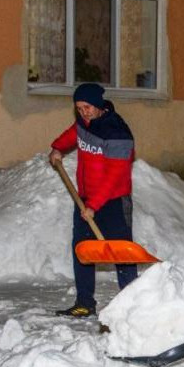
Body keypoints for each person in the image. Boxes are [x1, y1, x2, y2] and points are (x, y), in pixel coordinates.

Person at [49, 83, 138, 317]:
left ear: (98, 105)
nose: (83, 112)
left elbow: (113, 177)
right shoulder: (84, 123)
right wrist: (57, 148)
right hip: (86, 198)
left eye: (87, 107)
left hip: (114, 200)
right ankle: (84, 302)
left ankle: (133, 305)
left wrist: (93, 206)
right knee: (82, 249)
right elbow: (73, 134)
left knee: (122, 252)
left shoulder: (117, 133)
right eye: (79, 108)